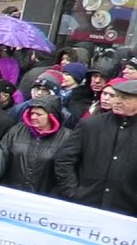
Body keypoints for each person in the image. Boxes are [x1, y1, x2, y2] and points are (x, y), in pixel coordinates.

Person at [54, 79, 137, 216]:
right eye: (116, 96)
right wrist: (71, 191)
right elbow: (64, 159)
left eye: (125, 98)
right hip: (85, 205)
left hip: (126, 212)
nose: (116, 101)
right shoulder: (91, 125)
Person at [0, 94, 70, 195]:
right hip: (12, 192)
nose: (33, 117)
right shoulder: (17, 130)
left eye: (39, 114)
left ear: (52, 116)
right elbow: (1, 154)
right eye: (32, 113)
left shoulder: (66, 138)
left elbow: (66, 170)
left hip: (44, 197)